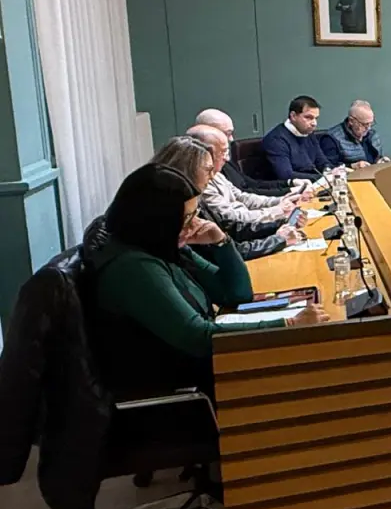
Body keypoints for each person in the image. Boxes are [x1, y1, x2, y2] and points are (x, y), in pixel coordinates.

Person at [81, 164, 326, 396]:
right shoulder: (133, 267)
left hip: (207, 367)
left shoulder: (165, 245)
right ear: (158, 221)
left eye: (195, 214)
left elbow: (236, 294)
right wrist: (288, 324)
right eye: (187, 218)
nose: (194, 225)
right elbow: (198, 338)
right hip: (180, 388)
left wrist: (221, 241)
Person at [152, 136, 304, 259]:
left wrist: (279, 223)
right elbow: (231, 252)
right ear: (187, 171)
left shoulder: (195, 197)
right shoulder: (178, 210)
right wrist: (277, 239)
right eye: (207, 170)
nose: (212, 177)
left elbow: (232, 227)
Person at [188, 125, 304, 228]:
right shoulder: (200, 184)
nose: (227, 158)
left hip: (249, 225)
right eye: (222, 152)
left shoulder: (217, 174)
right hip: (242, 231)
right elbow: (231, 219)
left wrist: (280, 201)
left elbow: (241, 197)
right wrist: (277, 211)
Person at [194, 108, 307, 197]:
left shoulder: (223, 160)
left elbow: (250, 184)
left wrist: (289, 183)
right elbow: (243, 196)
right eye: (227, 133)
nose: (231, 139)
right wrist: (289, 193)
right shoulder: (202, 173)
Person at [262, 95, 335, 181]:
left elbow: (322, 162)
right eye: (308, 118)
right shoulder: (276, 140)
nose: (314, 123)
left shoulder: (307, 132)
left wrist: (330, 171)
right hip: (287, 187)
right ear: (293, 116)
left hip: (313, 183)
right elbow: (285, 175)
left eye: (316, 118)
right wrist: (324, 178)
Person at [319, 100, 385, 168]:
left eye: (371, 123)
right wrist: (352, 166)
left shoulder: (372, 134)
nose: (369, 128)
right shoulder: (331, 138)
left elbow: (376, 157)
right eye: (364, 124)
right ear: (351, 121)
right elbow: (328, 167)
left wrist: (380, 161)